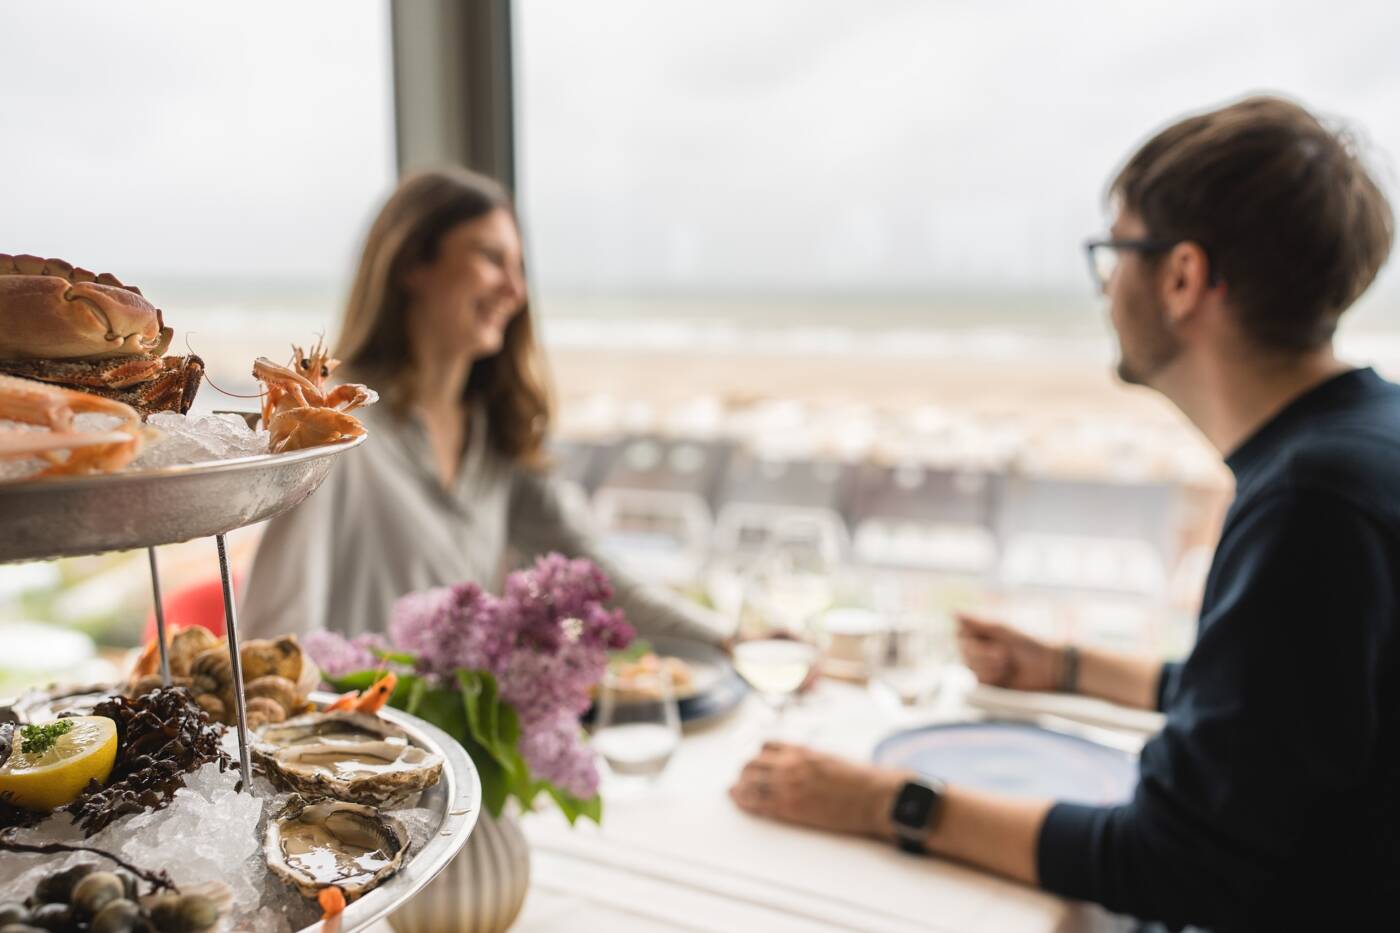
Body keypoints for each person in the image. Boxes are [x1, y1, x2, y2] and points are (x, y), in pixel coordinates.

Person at [730, 95, 1398, 931]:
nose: (1108, 286)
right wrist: (1072, 667)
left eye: (1116, 252)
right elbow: (1278, 722)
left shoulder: (1312, 504)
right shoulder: (1366, 442)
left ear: (1183, 276)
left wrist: (879, 799)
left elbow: (1174, 857)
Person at [241, 167, 729, 647]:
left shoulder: (496, 437)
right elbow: (272, 638)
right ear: (412, 262)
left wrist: (730, 638)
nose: (515, 292)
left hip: (462, 730)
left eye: (519, 269)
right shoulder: (331, 429)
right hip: (354, 725)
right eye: (492, 258)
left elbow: (600, 581)